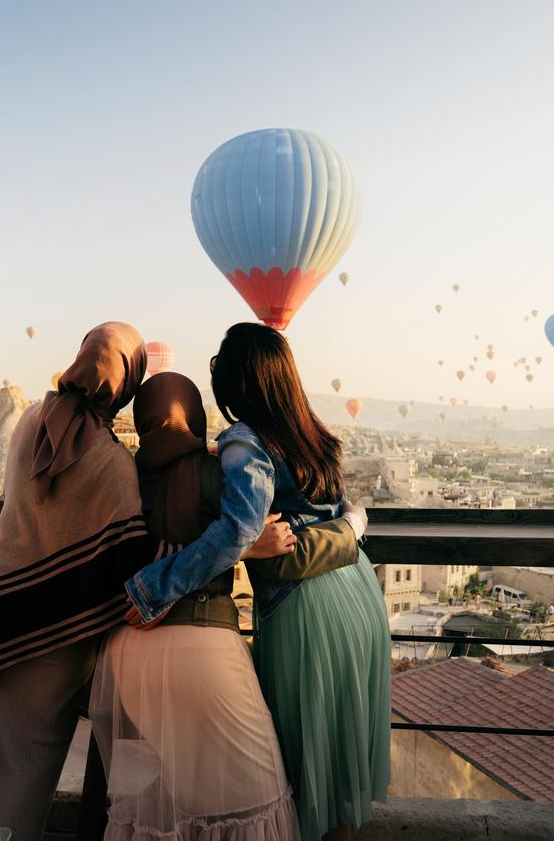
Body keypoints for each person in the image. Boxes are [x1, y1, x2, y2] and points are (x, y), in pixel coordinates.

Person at [0, 322, 305, 840]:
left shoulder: (32, 421)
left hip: (1, 610)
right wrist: (245, 544)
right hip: (60, 631)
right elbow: (135, 560)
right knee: (38, 759)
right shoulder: (107, 460)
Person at [126, 323, 391, 841]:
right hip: (357, 594)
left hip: (307, 607)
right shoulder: (311, 433)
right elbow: (339, 513)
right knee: (336, 770)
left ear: (234, 387)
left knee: (303, 770)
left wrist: (155, 586)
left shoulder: (244, 440)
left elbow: (238, 529)